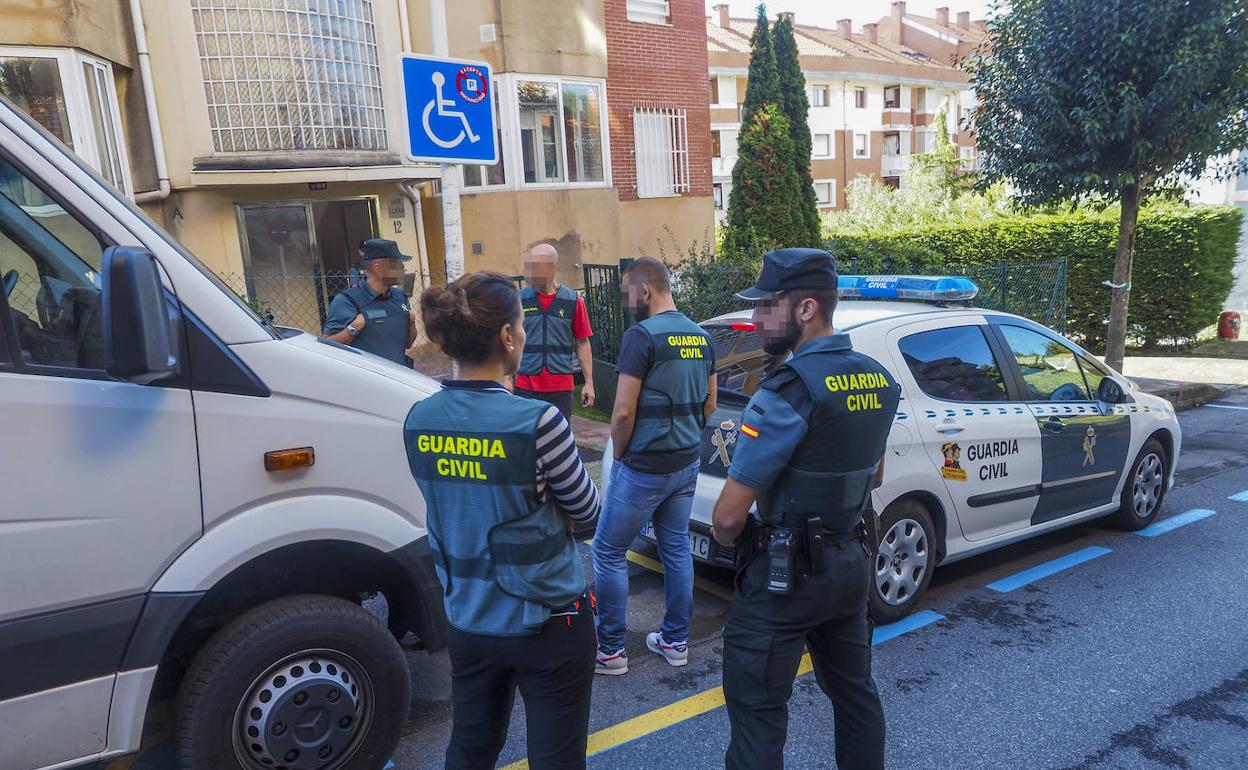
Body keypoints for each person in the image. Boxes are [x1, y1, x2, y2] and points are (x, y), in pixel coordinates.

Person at [709, 248, 899, 770]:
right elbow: (875, 475)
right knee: (856, 696)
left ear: (806, 308)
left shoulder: (786, 390)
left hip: (783, 576)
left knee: (757, 713)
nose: (755, 320)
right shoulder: (877, 379)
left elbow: (727, 518)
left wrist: (729, 542)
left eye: (766, 306)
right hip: (850, 564)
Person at [404, 271, 601, 770]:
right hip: (549, 622)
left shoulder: (418, 419)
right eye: (521, 326)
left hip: (469, 619)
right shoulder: (538, 422)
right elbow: (588, 514)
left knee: (470, 750)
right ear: (508, 337)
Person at [592, 256, 717, 675]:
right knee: (677, 548)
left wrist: (622, 453)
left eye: (628, 290)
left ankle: (610, 650)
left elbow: (623, 412)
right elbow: (710, 404)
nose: (627, 299)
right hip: (685, 463)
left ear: (645, 290)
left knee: (608, 552)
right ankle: (675, 641)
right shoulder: (703, 337)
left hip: (644, 465)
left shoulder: (641, 337)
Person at [515, 243, 596, 420]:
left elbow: (583, 343)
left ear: (552, 267)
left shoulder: (573, 301)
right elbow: (509, 340)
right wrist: (506, 377)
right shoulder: (519, 300)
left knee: (559, 443)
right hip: (525, 387)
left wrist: (589, 383)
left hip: (560, 390)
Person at [321, 238, 417, 366]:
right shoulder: (347, 301)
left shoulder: (400, 298)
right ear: (377, 268)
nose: (402, 268)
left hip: (398, 379)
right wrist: (353, 328)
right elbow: (326, 346)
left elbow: (408, 344)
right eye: (396, 264)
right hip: (367, 382)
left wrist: (411, 323)